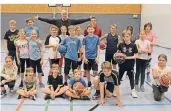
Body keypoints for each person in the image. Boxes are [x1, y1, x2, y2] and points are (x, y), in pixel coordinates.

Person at [118, 29, 138, 98]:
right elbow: (118, 53)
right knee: (119, 77)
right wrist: (117, 55)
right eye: (124, 36)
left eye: (127, 36)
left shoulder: (134, 45)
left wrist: (126, 57)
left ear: (130, 36)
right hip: (122, 65)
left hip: (130, 65)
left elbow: (136, 56)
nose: (126, 38)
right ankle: (116, 90)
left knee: (131, 78)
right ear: (123, 37)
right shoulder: (120, 45)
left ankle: (133, 90)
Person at [83, 24, 100, 88]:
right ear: (87, 30)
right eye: (89, 29)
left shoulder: (97, 38)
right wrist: (84, 57)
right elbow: (83, 48)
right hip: (87, 57)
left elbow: (98, 48)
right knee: (87, 70)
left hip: (94, 57)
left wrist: (97, 57)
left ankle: (95, 82)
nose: (90, 30)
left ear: (94, 30)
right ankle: (89, 82)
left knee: (95, 71)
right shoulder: (85, 38)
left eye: (91, 29)